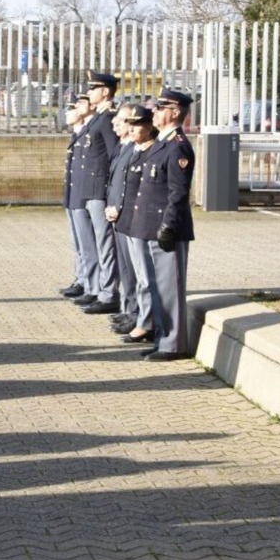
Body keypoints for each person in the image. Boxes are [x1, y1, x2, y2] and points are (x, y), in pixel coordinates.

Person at [129, 88, 196, 361]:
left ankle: (173, 345)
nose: (154, 112)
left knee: (169, 289)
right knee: (157, 288)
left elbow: (178, 193)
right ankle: (162, 339)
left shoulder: (178, 145)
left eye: (160, 107)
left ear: (175, 112)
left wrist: (168, 225)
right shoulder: (161, 143)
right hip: (150, 225)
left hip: (166, 228)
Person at [65, 74, 120, 314]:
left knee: (104, 244)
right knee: (92, 243)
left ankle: (107, 293)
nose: (89, 92)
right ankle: (95, 288)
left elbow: (114, 156)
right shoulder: (96, 118)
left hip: (99, 190)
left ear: (105, 91)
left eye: (93, 88)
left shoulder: (107, 119)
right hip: (87, 190)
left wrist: (111, 193)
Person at [113, 106, 159, 345]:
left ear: (149, 127)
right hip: (128, 221)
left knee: (144, 276)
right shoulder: (135, 151)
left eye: (136, 124)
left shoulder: (152, 152)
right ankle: (141, 317)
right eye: (129, 124)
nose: (131, 129)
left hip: (141, 221)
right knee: (138, 274)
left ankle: (146, 322)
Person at [103, 103, 138, 337]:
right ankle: (129, 310)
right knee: (125, 268)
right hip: (116, 212)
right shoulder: (122, 146)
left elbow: (129, 185)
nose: (115, 123)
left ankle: (134, 313)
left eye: (121, 120)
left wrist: (118, 207)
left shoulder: (133, 148)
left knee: (133, 270)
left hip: (127, 214)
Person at [59, 97, 90, 299]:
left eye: (73, 107)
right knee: (77, 243)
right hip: (72, 194)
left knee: (86, 244)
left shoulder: (88, 133)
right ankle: (81, 278)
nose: (68, 112)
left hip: (82, 195)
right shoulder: (78, 134)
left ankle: (88, 282)